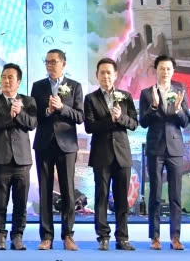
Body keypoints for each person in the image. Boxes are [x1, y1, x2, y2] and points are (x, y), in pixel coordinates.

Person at [30, 48, 84, 251]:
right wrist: (47, 110)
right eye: (47, 62)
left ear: (64, 63)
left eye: (54, 61)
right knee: (44, 190)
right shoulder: (38, 87)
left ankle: (68, 235)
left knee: (68, 191)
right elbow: (33, 118)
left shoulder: (75, 86)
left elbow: (80, 116)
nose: (50, 65)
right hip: (44, 143)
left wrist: (62, 108)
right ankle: (46, 237)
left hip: (67, 144)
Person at [83, 58, 138, 251]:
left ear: (115, 75)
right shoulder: (90, 99)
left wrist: (120, 118)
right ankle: (103, 236)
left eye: (109, 73)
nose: (105, 76)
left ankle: (122, 237)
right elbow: (89, 126)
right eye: (102, 73)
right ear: (96, 76)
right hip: (101, 154)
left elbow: (133, 123)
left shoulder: (126, 96)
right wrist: (110, 119)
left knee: (122, 198)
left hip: (122, 154)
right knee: (101, 196)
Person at [138, 54, 189, 251]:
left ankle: (175, 237)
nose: (165, 72)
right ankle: (155, 237)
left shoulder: (180, 91)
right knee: (155, 195)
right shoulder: (146, 93)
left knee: (176, 195)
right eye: (161, 68)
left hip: (175, 148)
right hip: (155, 147)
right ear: (156, 70)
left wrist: (177, 110)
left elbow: (185, 122)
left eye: (168, 69)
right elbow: (143, 122)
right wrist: (153, 106)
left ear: (173, 71)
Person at [0, 63, 36, 251]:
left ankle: (18, 236)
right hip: (1, 159)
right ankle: (0, 235)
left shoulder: (29, 101)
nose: (6, 80)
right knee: (0, 201)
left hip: (22, 160)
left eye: (10, 77)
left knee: (20, 202)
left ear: (19, 81)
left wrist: (20, 113)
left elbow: (32, 124)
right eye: (4, 77)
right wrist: (11, 115)